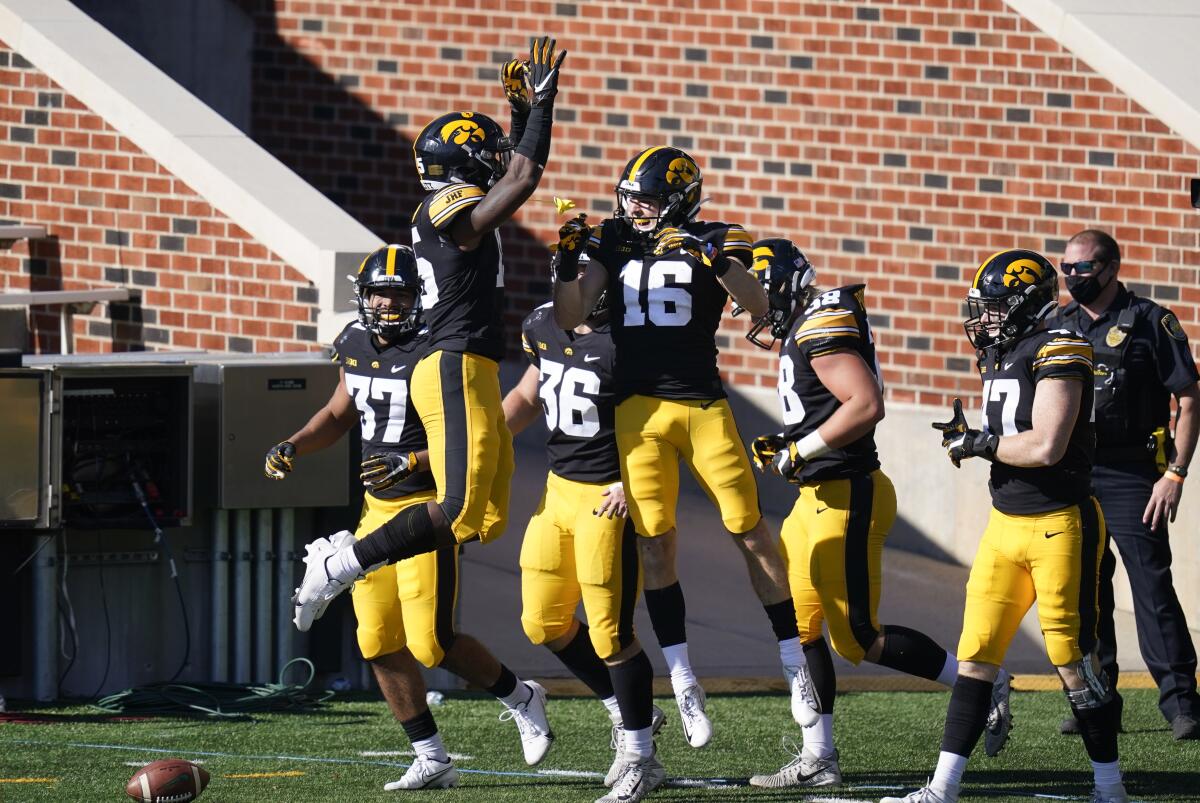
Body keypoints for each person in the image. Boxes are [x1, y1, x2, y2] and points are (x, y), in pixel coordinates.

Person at [551, 147, 820, 755]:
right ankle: (682, 676)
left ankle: (793, 660)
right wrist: (568, 266)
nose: (632, 207)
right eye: (629, 196)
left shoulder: (719, 236)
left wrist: (716, 260)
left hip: (701, 405)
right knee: (655, 541)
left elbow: (760, 307)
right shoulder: (613, 238)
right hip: (637, 411)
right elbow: (571, 314)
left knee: (747, 528)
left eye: (644, 198)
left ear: (679, 198)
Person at [291, 38, 565, 622]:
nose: (496, 159)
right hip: (454, 362)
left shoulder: (450, 204)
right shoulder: (443, 209)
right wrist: (541, 110)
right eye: (486, 154)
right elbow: (517, 181)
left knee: (486, 517)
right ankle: (340, 564)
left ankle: (367, 563)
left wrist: (519, 112)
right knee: (460, 509)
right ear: (466, 169)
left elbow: (508, 171)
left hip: (476, 364)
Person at [264, 245, 553, 788]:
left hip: (430, 510)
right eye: (380, 293)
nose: (389, 304)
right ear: (363, 296)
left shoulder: (435, 353)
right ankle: (430, 755)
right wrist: (295, 444)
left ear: (420, 298)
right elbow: (338, 413)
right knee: (374, 640)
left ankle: (521, 696)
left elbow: (473, 435)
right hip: (377, 512)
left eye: (399, 294)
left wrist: (413, 460)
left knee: (433, 643)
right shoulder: (352, 341)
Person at [742, 239, 1011, 790]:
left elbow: (865, 405)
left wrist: (802, 449)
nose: (749, 309)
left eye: (755, 295)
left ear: (783, 286)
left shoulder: (821, 324)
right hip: (815, 497)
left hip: (848, 495)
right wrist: (791, 443)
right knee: (801, 626)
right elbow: (825, 406)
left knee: (856, 638)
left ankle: (984, 684)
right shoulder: (806, 324)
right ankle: (819, 757)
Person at [883, 248, 1127, 803]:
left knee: (1071, 661)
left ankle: (1110, 788)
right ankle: (942, 789)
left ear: (1028, 304)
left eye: (993, 307)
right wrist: (977, 438)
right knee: (976, 656)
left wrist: (981, 443)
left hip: (1060, 524)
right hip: (1005, 524)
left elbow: (1046, 445)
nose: (983, 319)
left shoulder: (1061, 346)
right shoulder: (1003, 352)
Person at [502, 294, 667, 802]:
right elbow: (529, 398)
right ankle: (627, 710)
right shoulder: (543, 324)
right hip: (558, 491)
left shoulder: (632, 343)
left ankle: (641, 759)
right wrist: (480, 445)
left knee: (611, 634)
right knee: (542, 621)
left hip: (608, 497)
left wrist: (633, 481)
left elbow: (663, 425)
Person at [1048, 229, 1200, 740]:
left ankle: (1182, 704)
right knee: (1085, 592)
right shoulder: (1060, 324)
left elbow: (1189, 398)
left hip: (1133, 474)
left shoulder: (1152, 322)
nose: (1073, 278)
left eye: (1083, 268)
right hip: (1074, 473)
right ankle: (1096, 699)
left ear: (1112, 268)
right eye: (1067, 269)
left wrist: (1175, 472)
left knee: (1151, 588)